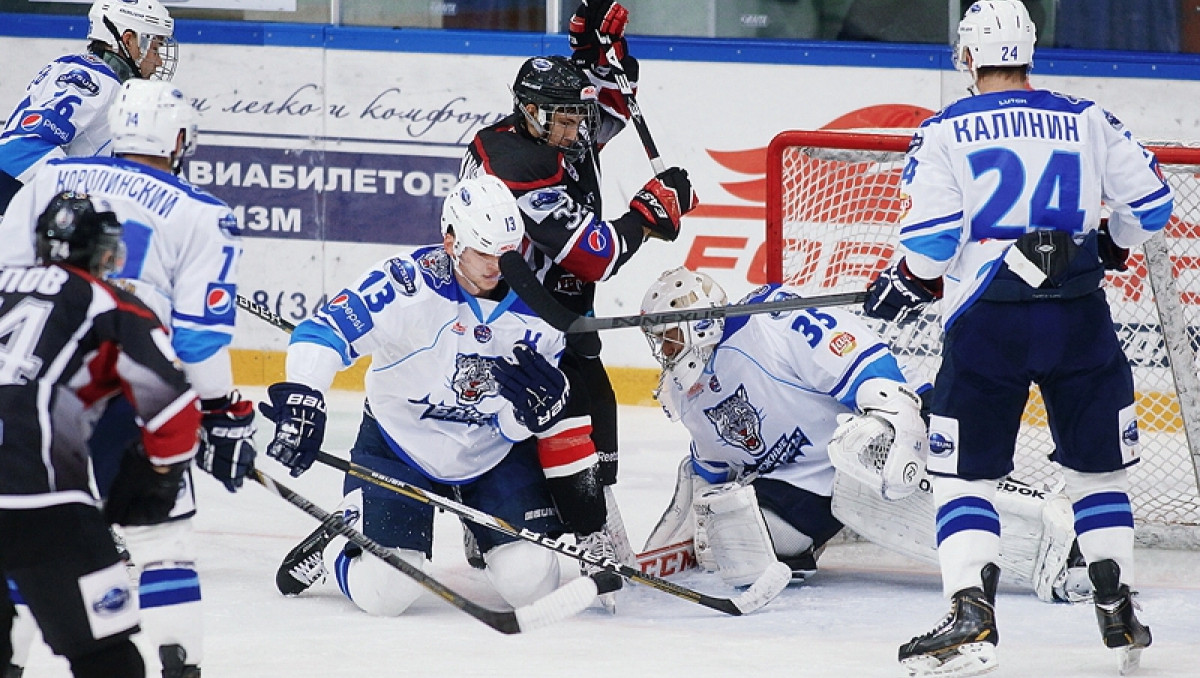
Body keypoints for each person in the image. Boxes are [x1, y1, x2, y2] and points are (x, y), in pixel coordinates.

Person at [860, 2, 1172, 676]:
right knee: (1097, 472)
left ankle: (972, 611)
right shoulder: (1088, 117)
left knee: (962, 474)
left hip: (989, 324)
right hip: (1079, 317)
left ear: (969, 56)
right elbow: (1151, 205)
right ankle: (1116, 600)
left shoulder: (945, 129)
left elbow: (934, 245)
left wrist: (906, 282)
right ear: (1027, 53)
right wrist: (1114, 247)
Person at [0, 79, 254, 678]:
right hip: (127, 388)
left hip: (33, 395)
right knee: (164, 542)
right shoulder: (201, 212)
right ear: (180, 139)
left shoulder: (47, 180)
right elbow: (195, 342)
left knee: (31, 539)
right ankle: (177, 667)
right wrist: (217, 414)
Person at [263, 175, 587, 617]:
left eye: (508, 253)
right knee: (388, 592)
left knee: (533, 583)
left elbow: (516, 419)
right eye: (484, 251)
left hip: (492, 453)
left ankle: (481, 528)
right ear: (451, 241)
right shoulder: (405, 285)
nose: (498, 265)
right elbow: (322, 332)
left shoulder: (542, 310)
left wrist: (533, 417)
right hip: (401, 445)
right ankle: (339, 542)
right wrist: (305, 396)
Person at [459, 0, 698, 586]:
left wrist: (596, 55)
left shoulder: (558, 126)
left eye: (575, 118)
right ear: (529, 114)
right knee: (531, 434)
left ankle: (590, 527)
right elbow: (595, 255)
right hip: (511, 326)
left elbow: (610, 102)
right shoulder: (512, 161)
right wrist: (647, 213)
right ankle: (487, 519)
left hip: (565, 319)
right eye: (563, 122)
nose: (576, 132)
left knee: (600, 434)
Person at [0, 191, 201, 678]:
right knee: (107, 658)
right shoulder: (110, 303)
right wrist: (161, 468)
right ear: (100, 250)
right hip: (39, 500)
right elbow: (172, 407)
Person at [0, 0, 177, 215]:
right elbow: (20, 149)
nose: (158, 62)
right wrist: (81, 203)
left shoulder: (94, 75)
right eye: (155, 48)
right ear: (128, 40)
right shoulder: (93, 78)